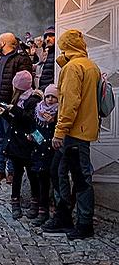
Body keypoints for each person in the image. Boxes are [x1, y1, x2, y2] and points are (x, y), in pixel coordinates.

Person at [43, 30, 100, 240]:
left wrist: (60, 132)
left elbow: (69, 104)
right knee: (62, 171)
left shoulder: (73, 67)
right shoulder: (89, 65)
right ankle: (65, 214)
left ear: (65, 46)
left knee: (78, 176)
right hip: (84, 129)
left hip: (75, 131)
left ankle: (83, 223)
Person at [0, 32, 32, 183]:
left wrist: (13, 106)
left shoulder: (20, 59)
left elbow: (24, 83)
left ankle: (12, 171)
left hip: (9, 108)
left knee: (11, 139)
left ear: (4, 43)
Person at [0, 71, 42, 219]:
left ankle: (35, 203)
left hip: (28, 143)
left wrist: (13, 109)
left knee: (32, 174)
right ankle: (15, 202)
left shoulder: (33, 100)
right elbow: (16, 121)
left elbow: (28, 120)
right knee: (16, 174)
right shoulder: (18, 99)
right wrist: (4, 113)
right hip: (16, 143)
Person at [29, 84, 59, 226]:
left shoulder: (58, 113)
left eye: (53, 97)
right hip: (39, 150)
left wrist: (52, 123)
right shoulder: (38, 110)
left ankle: (47, 210)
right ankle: (41, 209)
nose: (50, 99)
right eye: (48, 96)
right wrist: (34, 137)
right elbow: (35, 128)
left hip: (51, 152)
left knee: (48, 181)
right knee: (39, 180)